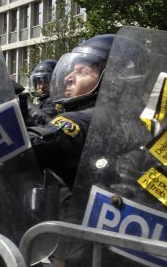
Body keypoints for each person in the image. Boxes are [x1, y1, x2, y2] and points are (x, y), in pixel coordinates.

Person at [27, 35, 114, 188]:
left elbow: (31, 145)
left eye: (82, 72)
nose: (68, 78)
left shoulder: (81, 120)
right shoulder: (133, 120)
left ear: (111, 79)